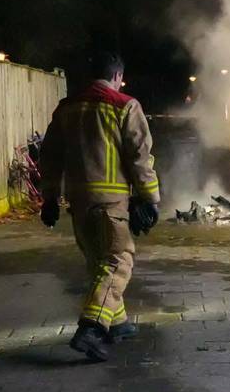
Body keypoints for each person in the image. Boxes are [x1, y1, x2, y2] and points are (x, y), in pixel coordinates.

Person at [38, 52, 161, 361]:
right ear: (118, 76)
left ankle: (116, 323)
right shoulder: (125, 105)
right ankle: (91, 328)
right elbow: (140, 157)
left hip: (79, 204)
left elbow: (50, 157)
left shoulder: (66, 108)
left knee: (99, 264)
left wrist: (50, 198)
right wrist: (150, 198)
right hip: (111, 203)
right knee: (118, 262)